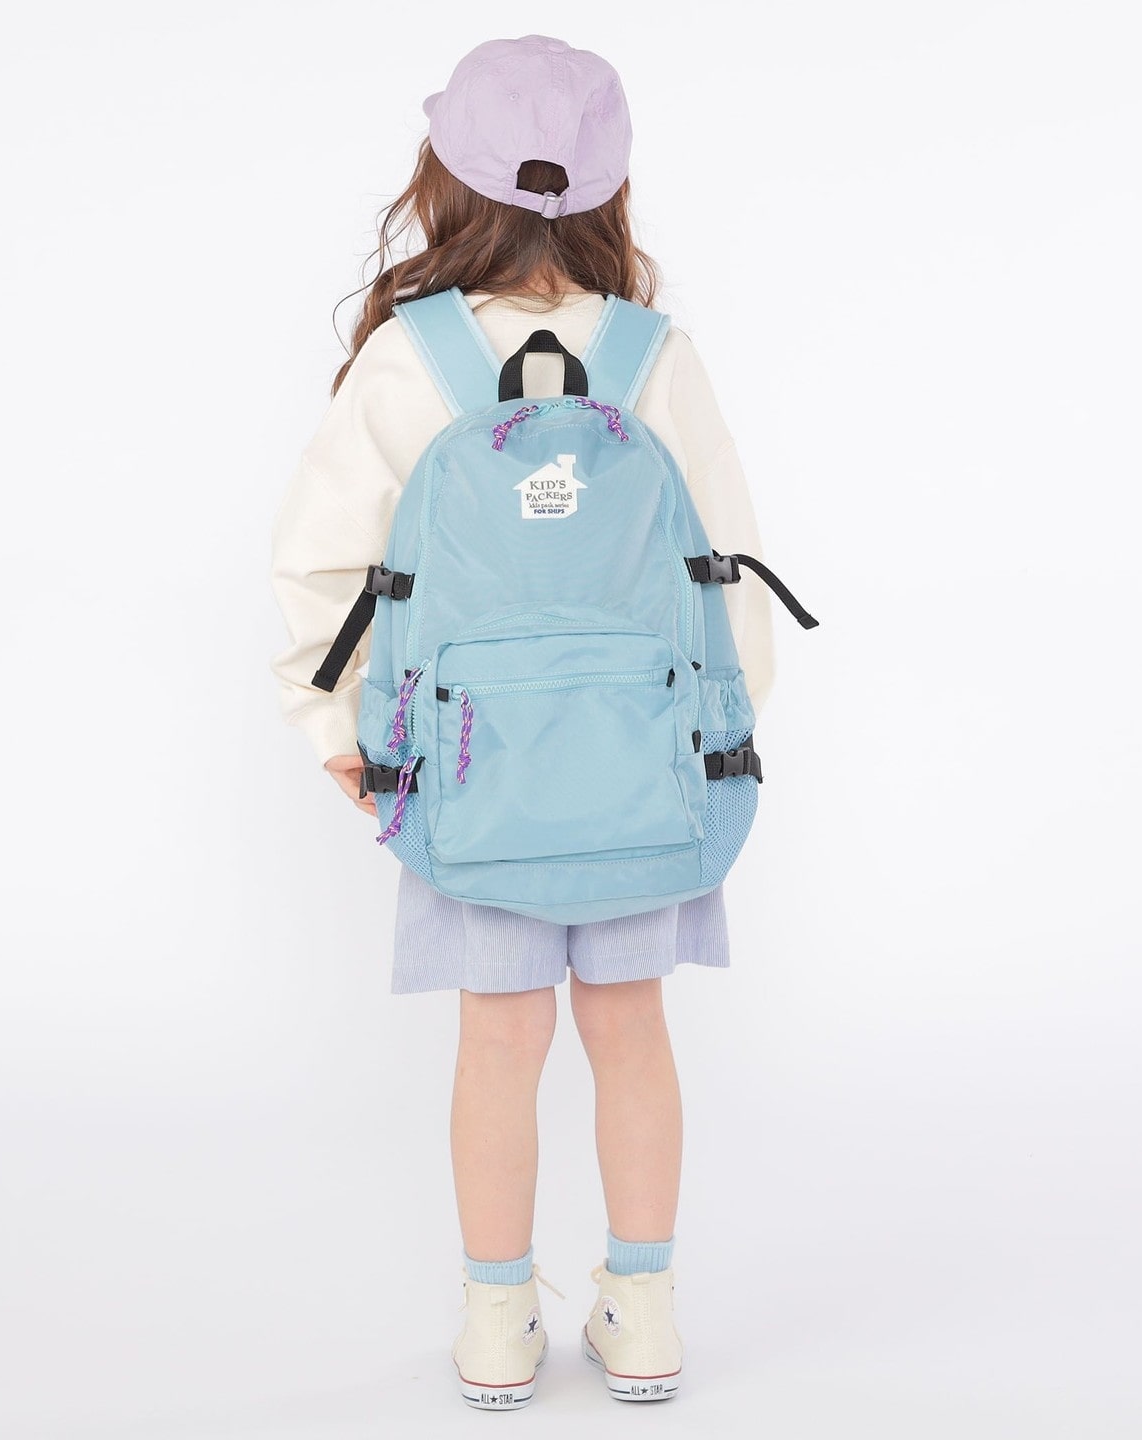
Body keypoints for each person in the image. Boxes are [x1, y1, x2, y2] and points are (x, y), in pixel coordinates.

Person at [269, 34, 777, 1408]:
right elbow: (728, 570)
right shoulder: (655, 356)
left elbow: (322, 568)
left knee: (497, 1043)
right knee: (632, 1031)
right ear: (610, 186)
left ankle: (499, 1324)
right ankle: (643, 1311)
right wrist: (715, 743)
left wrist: (339, 735)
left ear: (441, 177)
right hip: (642, 775)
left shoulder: (406, 360)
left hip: (466, 773)